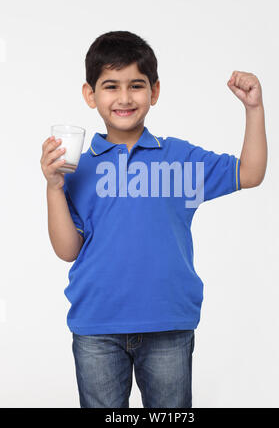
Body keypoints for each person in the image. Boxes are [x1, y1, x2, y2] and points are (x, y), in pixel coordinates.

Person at [40, 31, 267, 408]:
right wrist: (52, 187)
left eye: (137, 86)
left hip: (169, 324)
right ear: (90, 94)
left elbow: (249, 172)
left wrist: (254, 109)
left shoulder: (180, 158)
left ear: (155, 92)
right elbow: (68, 250)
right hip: (97, 325)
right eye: (111, 86)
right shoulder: (75, 165)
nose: (125, 97)